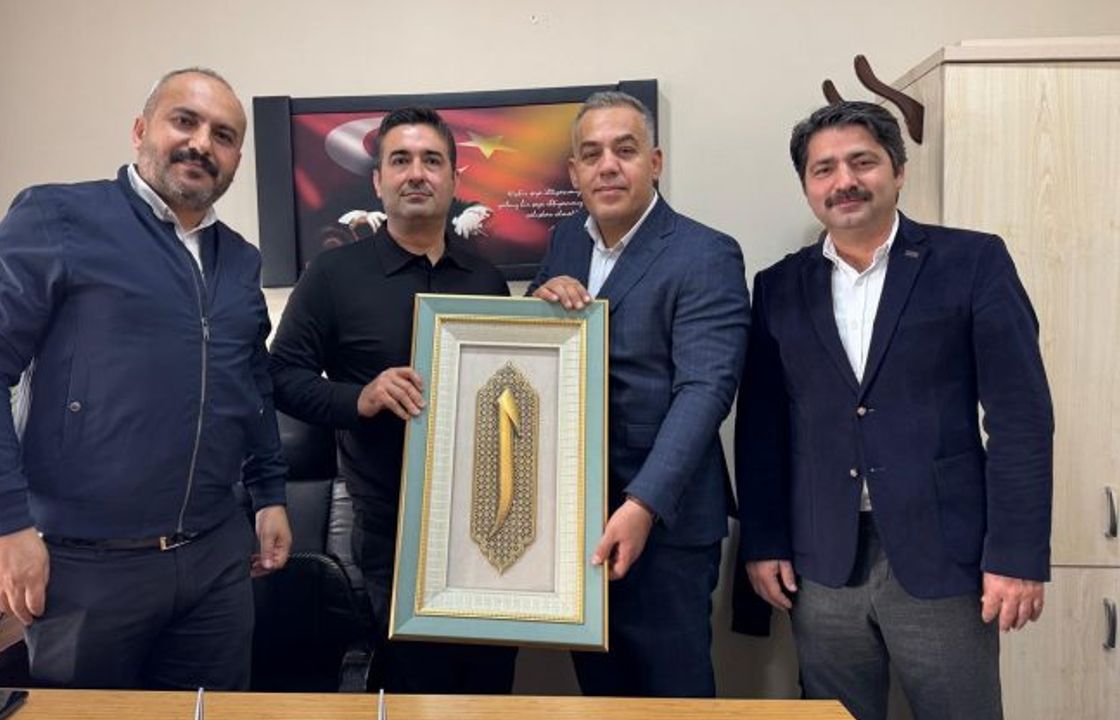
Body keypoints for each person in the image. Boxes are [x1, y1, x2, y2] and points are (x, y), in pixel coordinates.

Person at [0, 67, 292, 690]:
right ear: (140, 130)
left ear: (236, 159)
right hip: (87, 570)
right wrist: (1, 524)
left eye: (224, 135)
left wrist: (269, 494)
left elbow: (251, 385)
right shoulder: (56, 218)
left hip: (215, 564)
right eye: (185, 121)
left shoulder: (239, 260)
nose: (202, 143)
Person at [735, 101, 1053, 720]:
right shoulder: (778, 286)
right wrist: (764, 541)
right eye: (824, 169)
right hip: (822, 560)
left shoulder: (972, 262)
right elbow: (762, 428)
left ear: (898, 171)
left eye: (862, 162)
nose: (844, 181)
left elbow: (1021, 420)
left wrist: (1015, 555)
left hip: (945, 554)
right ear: (806, 186)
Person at [269, 106, 517, 693]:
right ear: (378, 180)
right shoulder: (332, 275)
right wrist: (360, 397)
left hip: (487, 528)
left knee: (489, 690)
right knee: (415, 691)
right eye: (400, 160)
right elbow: (279, 376)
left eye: (432, 161)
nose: (416, 174)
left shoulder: (486, 280)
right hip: (392, 532)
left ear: (454, 180)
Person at [528, 91, 750, 697]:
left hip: (665, 524)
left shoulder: (705, 253)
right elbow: (546, 358)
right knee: (602, 695)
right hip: (576, 520)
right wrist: (540, 303)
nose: (607, 166)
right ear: (574, 171)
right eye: (591, 154)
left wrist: (642, 505)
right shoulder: (566, 243)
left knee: (672, 698)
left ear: (654, 162)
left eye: (624, 151)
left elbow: (705, 390)